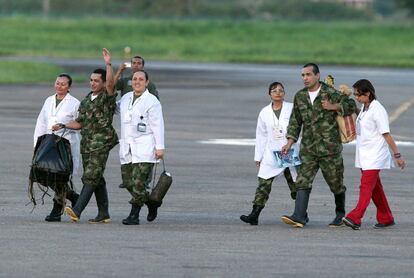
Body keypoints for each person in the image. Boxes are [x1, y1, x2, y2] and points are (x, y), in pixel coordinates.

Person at [281, 63, 357, 228]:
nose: (305, 78)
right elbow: (295, 121)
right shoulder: (300, 96)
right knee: (302, 180)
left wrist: (334, 106)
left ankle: (340, 214)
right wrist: (289, 142)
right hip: (308, 148)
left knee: (335, 183)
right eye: (303, 75)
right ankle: (299, 216)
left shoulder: (330, 93)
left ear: (317, 75)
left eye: (308, 75)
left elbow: (352, 105)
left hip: (329, 149)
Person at [53, 48, 118, 224]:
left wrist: (109, 64)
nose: (93, 83)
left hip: (101, 144)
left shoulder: (106, 97)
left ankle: (77, 210)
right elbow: (79, 123)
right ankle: (104, 213)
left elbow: (112, 84)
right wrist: (64, 125)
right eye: (91, 80)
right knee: (97, 178)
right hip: (87, 145)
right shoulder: (87, 100)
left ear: (103, 83)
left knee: (90, 177)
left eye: (97, 81)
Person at [343, 79, 406, 230]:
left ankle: (355, 217)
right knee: (375, 188)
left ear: (368, 93)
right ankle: (386, 217)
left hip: (375, 155)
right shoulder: (365, 107)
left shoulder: (378, 110)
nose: (356, 97)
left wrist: (397, 156)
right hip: (365, 154)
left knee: (365, 186)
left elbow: (387, 135)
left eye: (359, 95)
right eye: (355, 95)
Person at [240, 82, 300, 225]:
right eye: (274, 91)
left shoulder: (292, 108)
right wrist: (258, 156)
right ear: (270, 94)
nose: (278, 93)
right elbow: (261, 135)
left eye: (281, 90)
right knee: (263, 183)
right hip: (271, 152)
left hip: (289, 151)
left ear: (284, 93)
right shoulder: (264, 112)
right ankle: (254, 214)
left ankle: (301, 213)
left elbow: (299, 127)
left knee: (296, 186)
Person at [117, 67, 165, 225]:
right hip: (128, 147)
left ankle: (134, 215)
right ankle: (151, 203)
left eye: (141, 79)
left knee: (138, 182)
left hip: (145, 147)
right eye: (135, 79)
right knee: (128, 181)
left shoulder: (152, 101)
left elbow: (158, 125)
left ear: (147, 83)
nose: (137, 82)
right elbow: (114, 108)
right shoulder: (125, 98)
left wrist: (160, 147)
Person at [33, 73, 80, 222]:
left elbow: (80, 124)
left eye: (63, 84)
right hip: (48, 144)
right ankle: (72, 196)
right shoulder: (48, 100)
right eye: (57, 83)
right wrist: (37, 145)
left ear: (69, 87)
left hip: (65, 145)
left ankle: (56, 209)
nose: (59, 86)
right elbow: (41, 122)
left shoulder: (74, 103)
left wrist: (64, 126)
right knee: (43, 173)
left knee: (59, 176)